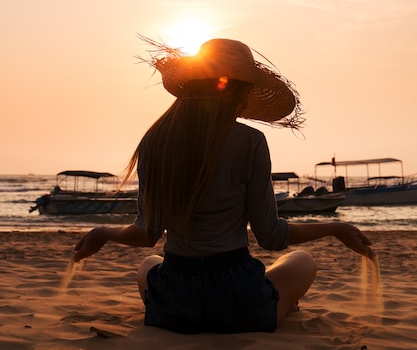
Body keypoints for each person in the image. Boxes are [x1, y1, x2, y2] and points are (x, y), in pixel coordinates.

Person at [73, 37, 373, 334]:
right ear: (232, 88)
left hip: (175, 300)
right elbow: (270, 236)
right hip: (239, 300)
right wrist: (336, 228)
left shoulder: (156, 141)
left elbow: (147, 234)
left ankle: (261, 302)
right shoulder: (249, 141)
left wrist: (104, 232)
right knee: (302, 261)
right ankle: (276, 304)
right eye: (245, 91)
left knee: (149, 265)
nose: (245, 102)